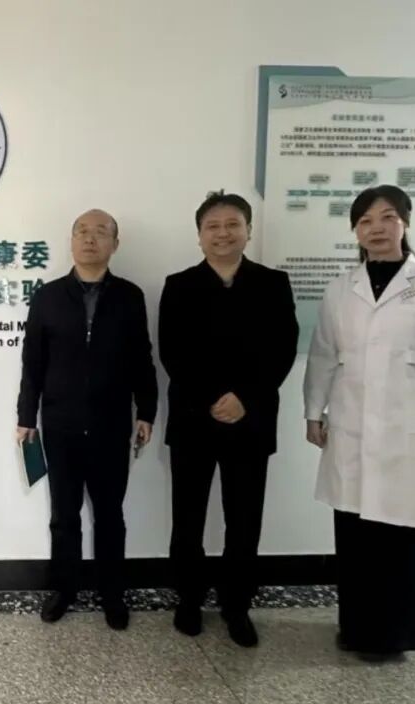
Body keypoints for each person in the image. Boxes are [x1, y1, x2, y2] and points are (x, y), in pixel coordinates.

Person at [303, 185, 415, 661]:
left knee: (404, 535)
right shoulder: (341, 288)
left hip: (409, 426)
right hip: (351, 423)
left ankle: (397, 634)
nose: (376, 228)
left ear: (405, 222)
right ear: (355, 230)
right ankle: (355, 629)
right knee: (355, 534)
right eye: (365, 221)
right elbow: (323, 354)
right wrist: (314, 411)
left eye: (387, 217)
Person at [158, 192, 298, 647]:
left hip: (250, 422)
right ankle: (189, 599)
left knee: (244, 519)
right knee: (188, 517)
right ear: (199, 235)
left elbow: (282, 348)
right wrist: (212, 400)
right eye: (213, 226)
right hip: (193, 420)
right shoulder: (179, 285)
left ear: (248, 231)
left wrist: (245, 399)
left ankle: (237, 604)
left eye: (233, 224)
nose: (223, 233)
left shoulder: (273, 283)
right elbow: (173, 352)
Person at [16, 208, 158, 630]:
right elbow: (32, 363)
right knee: (64, 514)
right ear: (71, 241)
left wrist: (146, 410)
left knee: (110, 514)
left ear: (115, 243)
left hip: (111, 424)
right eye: (82, 231)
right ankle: (64, 589)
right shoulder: (48, 297)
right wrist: (26, 416)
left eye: (100, 232)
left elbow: (142, 359)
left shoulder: (130, 296)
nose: (90, 239)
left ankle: (112, 593)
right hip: (59, 424)